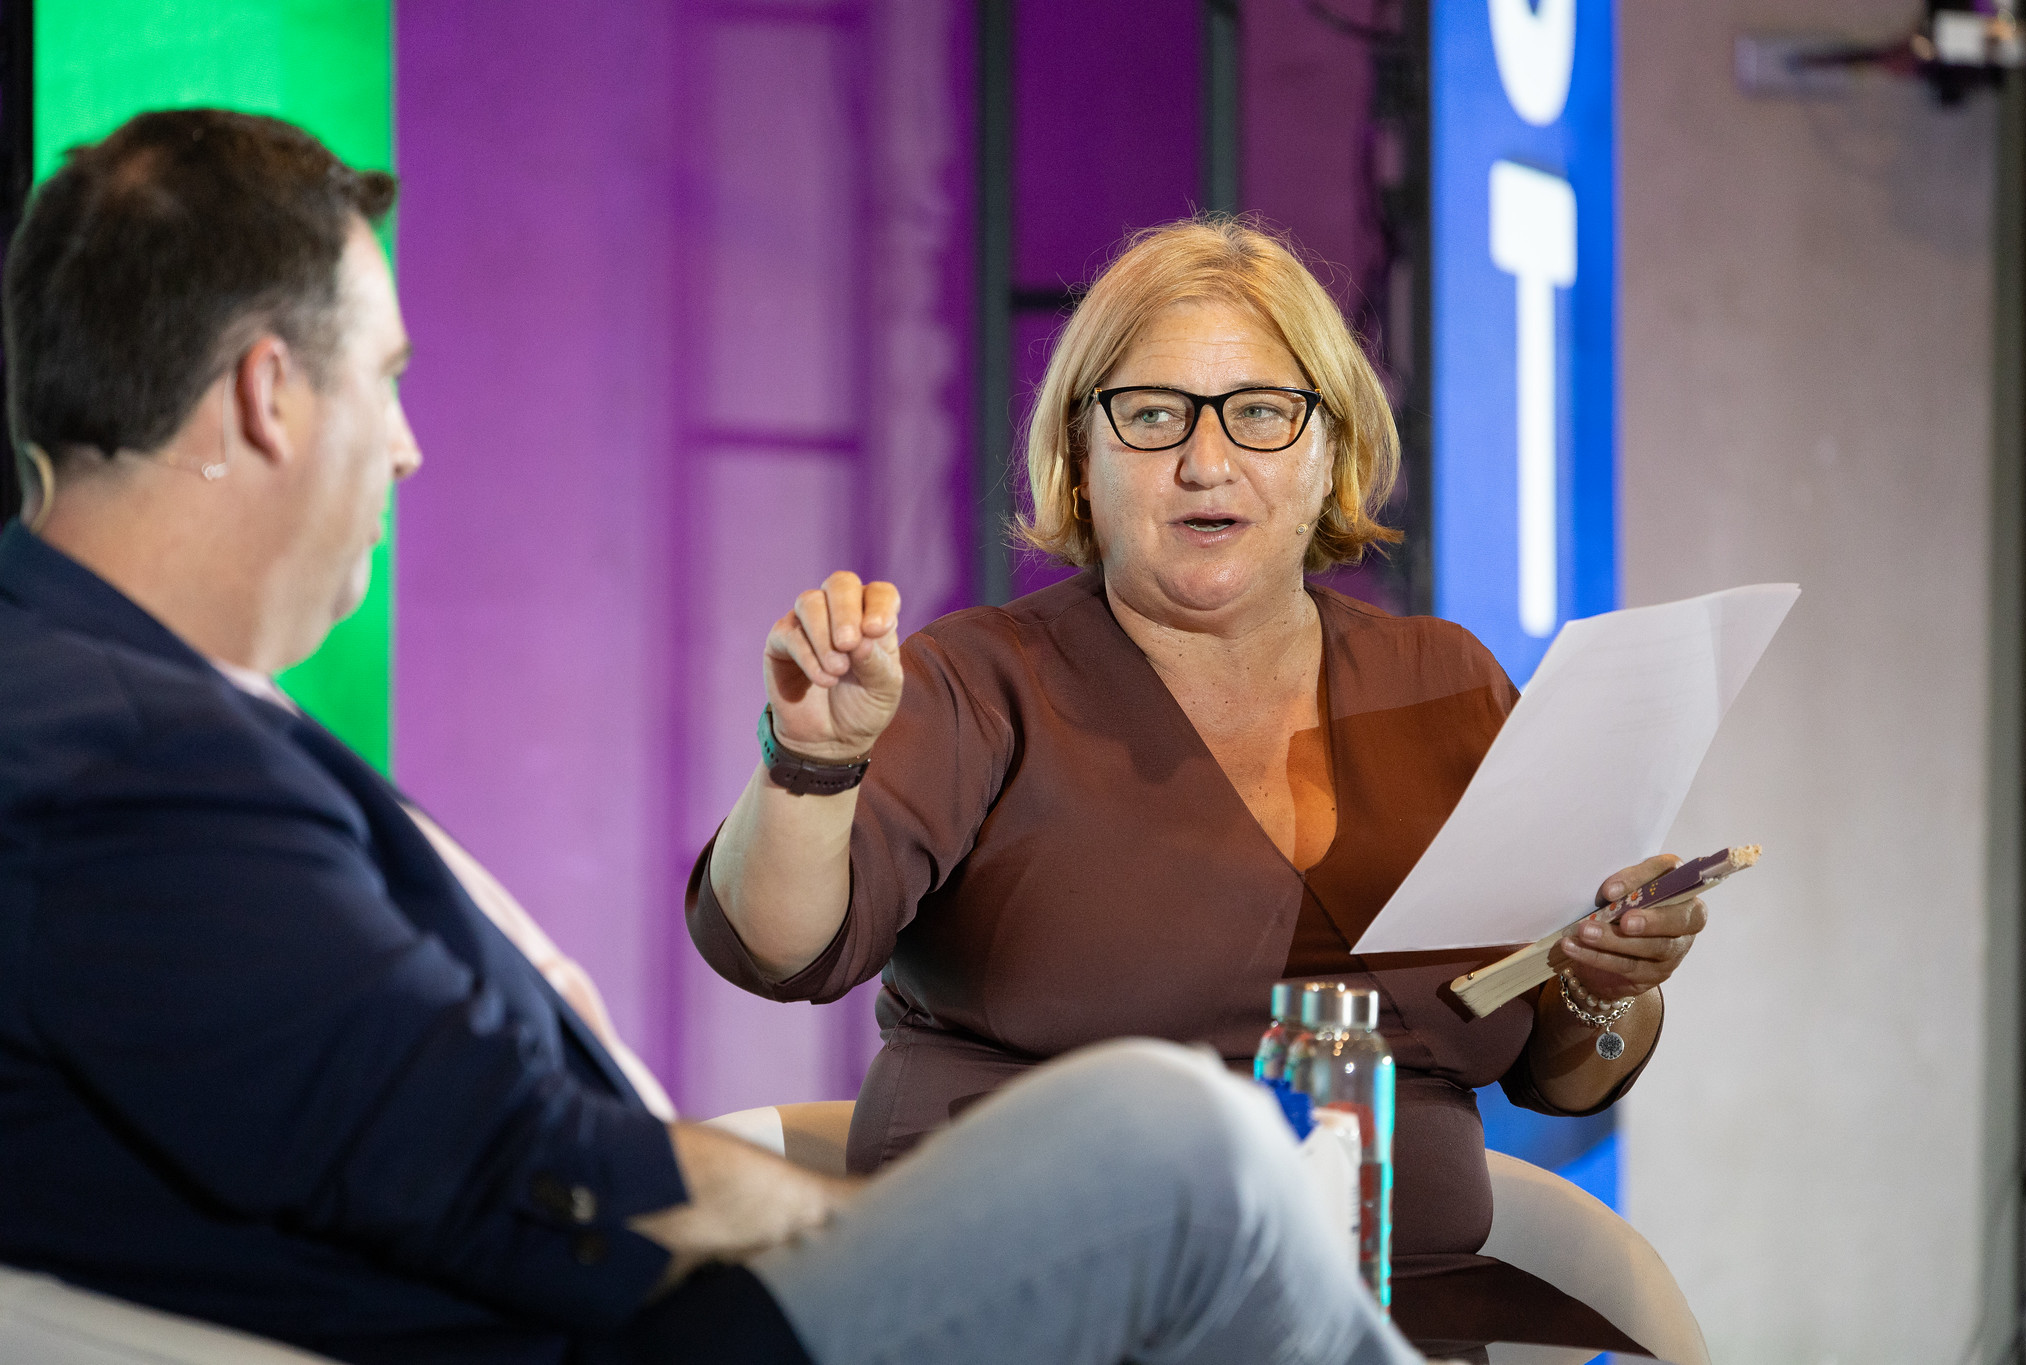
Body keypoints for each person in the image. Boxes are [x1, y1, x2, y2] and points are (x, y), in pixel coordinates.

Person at [0, 111, 1424, 1365]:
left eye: (1257, 417)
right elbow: (491, 1157)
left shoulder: (122, 706)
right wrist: (841, 1219)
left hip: (625, 1287)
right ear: (265, 394)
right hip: (621, 1324)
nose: (408, 444)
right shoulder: (123, 752)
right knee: (1184, 1153)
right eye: (385, 377)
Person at [690, 218, 1714, 1355]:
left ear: (1331, 448)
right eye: (1152, 413)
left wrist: (1604, 981)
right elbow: (773, 949)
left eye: (1260, 413)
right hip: (1057, 1302)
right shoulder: (979, 681)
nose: (1205, 461)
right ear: (1081, 453)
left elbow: (1559, 1077)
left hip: (1403, 1304)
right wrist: (812, 758)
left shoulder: (1444, 682)